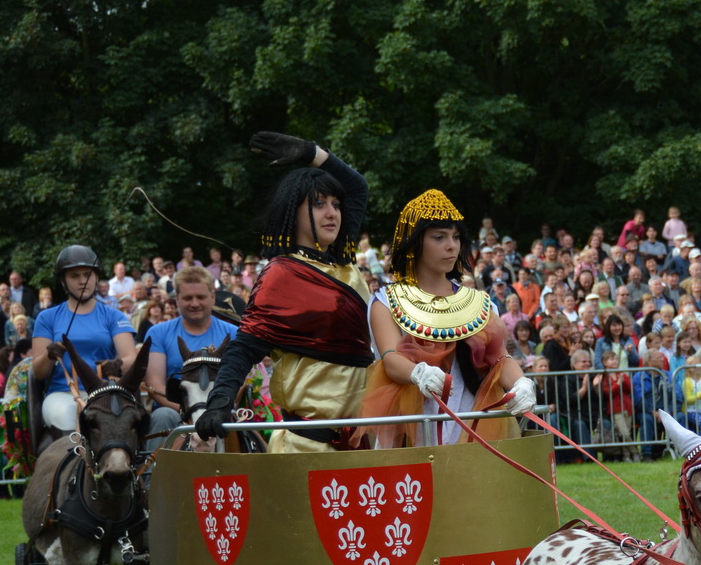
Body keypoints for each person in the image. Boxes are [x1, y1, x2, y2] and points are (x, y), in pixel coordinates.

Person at [198, 132, 378, 453]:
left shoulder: (342, 259)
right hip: (306, 447)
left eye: (336, 204)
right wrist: (220, 399)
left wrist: (312, 153)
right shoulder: (281, 274)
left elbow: (357, 187)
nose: (332, 213)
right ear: (293, 211)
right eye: (319, 203)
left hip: (364, 441)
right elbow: (245, 349)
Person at [358, 188, 537, 447]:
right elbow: (389, 359)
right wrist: (418, 373)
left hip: (471, 425)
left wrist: (521, 383)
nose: (451, 245)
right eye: (439, 237)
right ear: (415, 241)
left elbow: (500, 359)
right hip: (410, 430)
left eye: (455, 236)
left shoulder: (478, 302)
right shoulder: (386, 300)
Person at [29, 245, 136, 444]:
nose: (82, 281)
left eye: (88, 274)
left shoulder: (114, 316)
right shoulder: (46, 318)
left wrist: (118, 364)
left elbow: (131, 358)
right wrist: (49, 355)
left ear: (96, 277)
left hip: (106, 393)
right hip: (62, 394)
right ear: (63, 280)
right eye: (74, 276)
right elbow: (39, 372)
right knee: (72, 413)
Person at [145, 266, 239, 444]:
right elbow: (155, 386)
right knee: (162, 416)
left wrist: (215, 410)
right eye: (187, 298)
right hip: (173, 413)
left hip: (223, 411)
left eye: (201, 297)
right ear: (177, 300)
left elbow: (243, 380)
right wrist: (192, 412)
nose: (194, 303)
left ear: (212, 297)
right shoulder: (158, 333)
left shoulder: (234, 333)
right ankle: (152, 472)